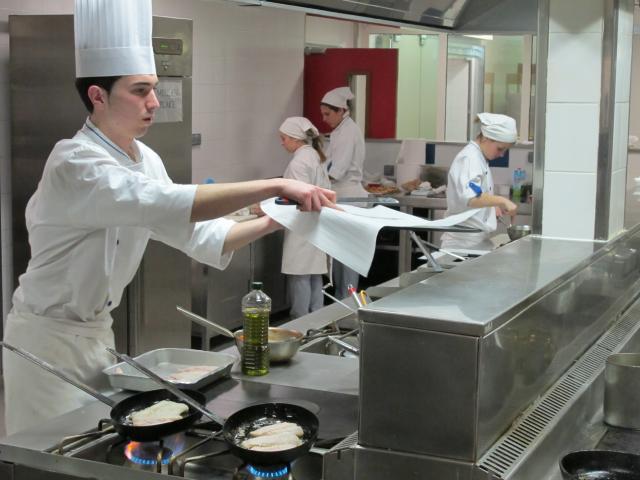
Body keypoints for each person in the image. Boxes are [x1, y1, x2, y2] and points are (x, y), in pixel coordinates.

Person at [1, 0, 335, 436]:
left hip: (97, 337)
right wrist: (275, 184)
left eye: (154, 89)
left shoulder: (145, 158)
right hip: (46, 343)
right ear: (98, 96)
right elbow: (168, 202)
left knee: (93, 440)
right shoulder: (75, 163)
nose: (155, 102)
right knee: (50, 449)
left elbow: (202, 235)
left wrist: (278, 219)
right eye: (140, 90)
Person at [440, 113, 519, 252]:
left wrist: (490, 209)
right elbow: (471, 198)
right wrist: (501, 200)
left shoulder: (480, 158)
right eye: (500, 148)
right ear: (486, 137)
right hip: (462, 245)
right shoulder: (470, 158)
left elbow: (478, 193)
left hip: (474, 241)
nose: (502, 154)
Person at [279, 117, 332, 318]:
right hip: (316, 222)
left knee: (300, 273)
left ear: (295, 138)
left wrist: (268, 206)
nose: (282, 143)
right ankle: (317, 318)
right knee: (314, 273)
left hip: (302, 224)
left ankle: (300, 321)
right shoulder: (313, 155)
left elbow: (299, 197)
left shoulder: (299, 162)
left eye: (284, 138)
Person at [320, 87, 367, 299]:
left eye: (327, 114)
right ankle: (342, 301)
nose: (324, 119)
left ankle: (349, 301)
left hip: (349, 198)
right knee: (339, 254)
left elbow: (337, 170)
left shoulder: (348, 132)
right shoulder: (340, 131)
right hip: (340, 197)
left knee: (348, 255)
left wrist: (314, 183)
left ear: (341, 110)